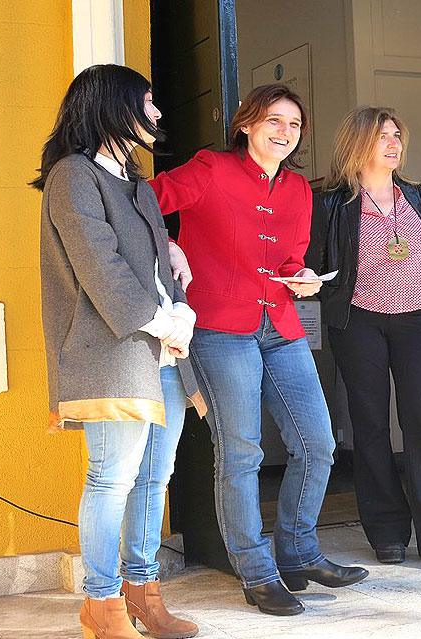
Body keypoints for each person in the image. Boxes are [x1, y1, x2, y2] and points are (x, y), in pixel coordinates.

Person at [150, 83, 368, 616]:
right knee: (242, 451)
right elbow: (142, 206)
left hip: (281, 324)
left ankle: (298, 552)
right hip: (220, 327)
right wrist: (171, 246)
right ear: (246, 124)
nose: (284, 132)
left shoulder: (298, 190)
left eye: (294, 125)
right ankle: (256, 570)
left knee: (318, 444)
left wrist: (304, 277)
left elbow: (290, 258)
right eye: (274, 120)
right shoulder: (210, 168)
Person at [33, 64, 203, 639]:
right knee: (112, 477)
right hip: (115, 351)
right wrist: (165, 322)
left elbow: (151, 261)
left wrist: (177, 279)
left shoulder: (133, 180)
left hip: (164, 349)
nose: (157, 113)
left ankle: (143, 593)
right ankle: (101, 604)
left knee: (155, 478)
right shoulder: (72, 174)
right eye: (147, 102)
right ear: (113, 105)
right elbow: (99, 265)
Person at [306, 106, 421, 569]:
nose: (394, 144)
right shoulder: (332, 202)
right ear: (358, 144)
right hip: (358, 323)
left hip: (417, 320)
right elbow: (314, 264)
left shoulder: (418, 195)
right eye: (383, 137)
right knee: (371, 425)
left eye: (397, 135)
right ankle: (387, 531)